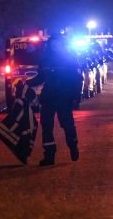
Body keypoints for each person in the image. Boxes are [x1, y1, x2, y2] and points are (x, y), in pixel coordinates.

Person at [27, 34, 83, 166]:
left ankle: (73, 147)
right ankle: (49, 156)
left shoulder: (70, 59)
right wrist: (27, 83)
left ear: (61, 45)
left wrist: (76, 97)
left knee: (67, 125)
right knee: (46, 126)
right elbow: (40, 78)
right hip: (48, 97)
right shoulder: (45, 59)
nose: (54, 46)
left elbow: (77, 79)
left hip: (64, 97)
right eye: (52, 43)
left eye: (57, 43)